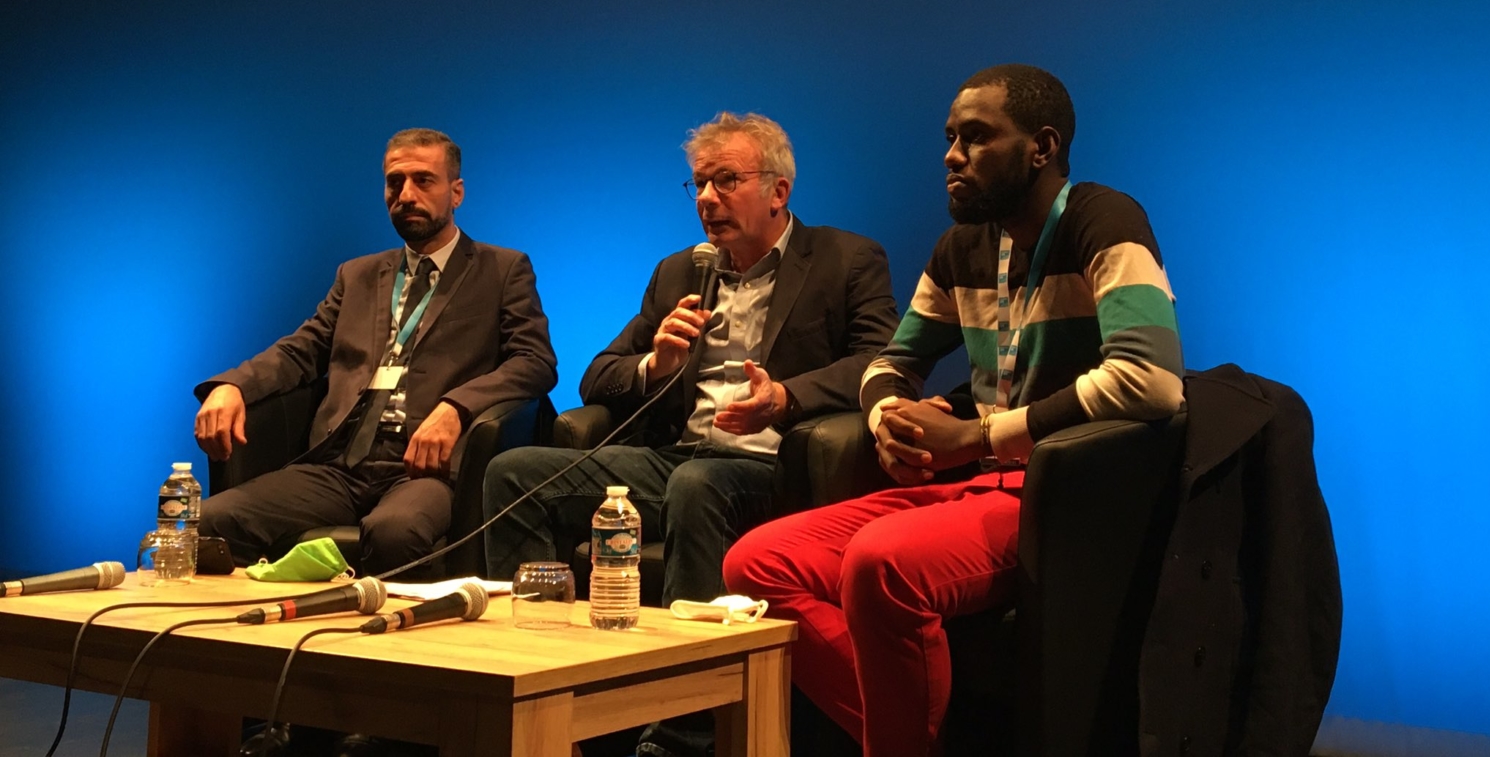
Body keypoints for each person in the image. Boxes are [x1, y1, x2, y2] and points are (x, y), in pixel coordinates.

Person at [722, 66, 1185, 757]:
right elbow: (888, 364)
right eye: (949, 138)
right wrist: (889, 423)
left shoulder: (1104, 221)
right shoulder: (962, 248)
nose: (952, 155)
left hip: (1063, 495)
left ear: (1042, 146)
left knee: (880, 562)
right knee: (758, 562)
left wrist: (977, 435)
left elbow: (1151, 378)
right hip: (977, 487)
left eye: (976, 137)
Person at [482, 111, 899, 606]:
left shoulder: (845, 259)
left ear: (778, 192)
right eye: (699, 183)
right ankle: (535, 640)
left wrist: (786, 397)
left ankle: (694, 651)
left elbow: (881, 359)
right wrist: (655, 364)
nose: (706, 198)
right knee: (512, 472)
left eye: (726, 180)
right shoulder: (680, 271)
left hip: (775, 466)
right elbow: (597, 376)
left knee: (697, 483)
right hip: (677, 458)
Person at [194, 128, 557, 576]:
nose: (406, 195)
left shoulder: (501, 269)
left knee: (393, 532)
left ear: (456, 192)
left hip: (425, 468)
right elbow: (300, 350)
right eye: (394, 182)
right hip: (341, 463)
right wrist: (233, 386)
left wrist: (457, 407)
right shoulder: (358, 275)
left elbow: (534, 361)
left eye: (423, 180)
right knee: (210, 521)